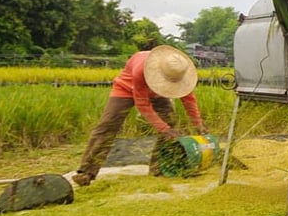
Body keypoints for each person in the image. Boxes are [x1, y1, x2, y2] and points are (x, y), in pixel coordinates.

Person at [73, 45, 208, 186]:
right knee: (107, 126)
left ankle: (158, 169)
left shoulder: (179, 72)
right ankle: (86, 172)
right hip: (126, 89)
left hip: (158, 93)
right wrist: (163, 129)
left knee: (170, 122)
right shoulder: (141, 69)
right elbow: (142, 104)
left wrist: (198, 124)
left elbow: (189, 100)